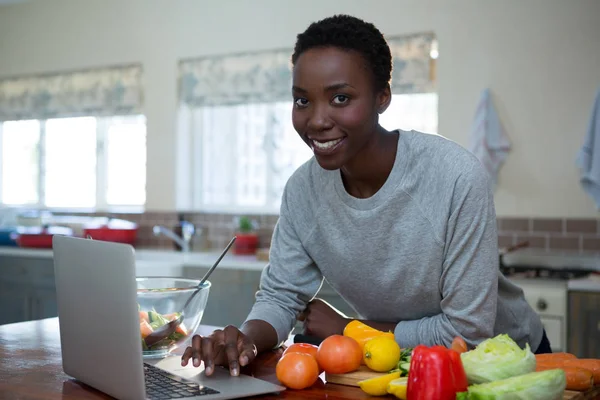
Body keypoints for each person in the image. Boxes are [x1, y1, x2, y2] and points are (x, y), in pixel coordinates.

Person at [181, 14, 549, 376]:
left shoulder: (455, 177)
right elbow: (280, 297)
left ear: (382, 97)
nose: (317, 120)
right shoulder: (301, 191)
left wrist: (350, 331)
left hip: (503, 364)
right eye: (302, 101)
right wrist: (244, 340)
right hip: (390, 364)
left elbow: (466, 333)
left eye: (341, 98)